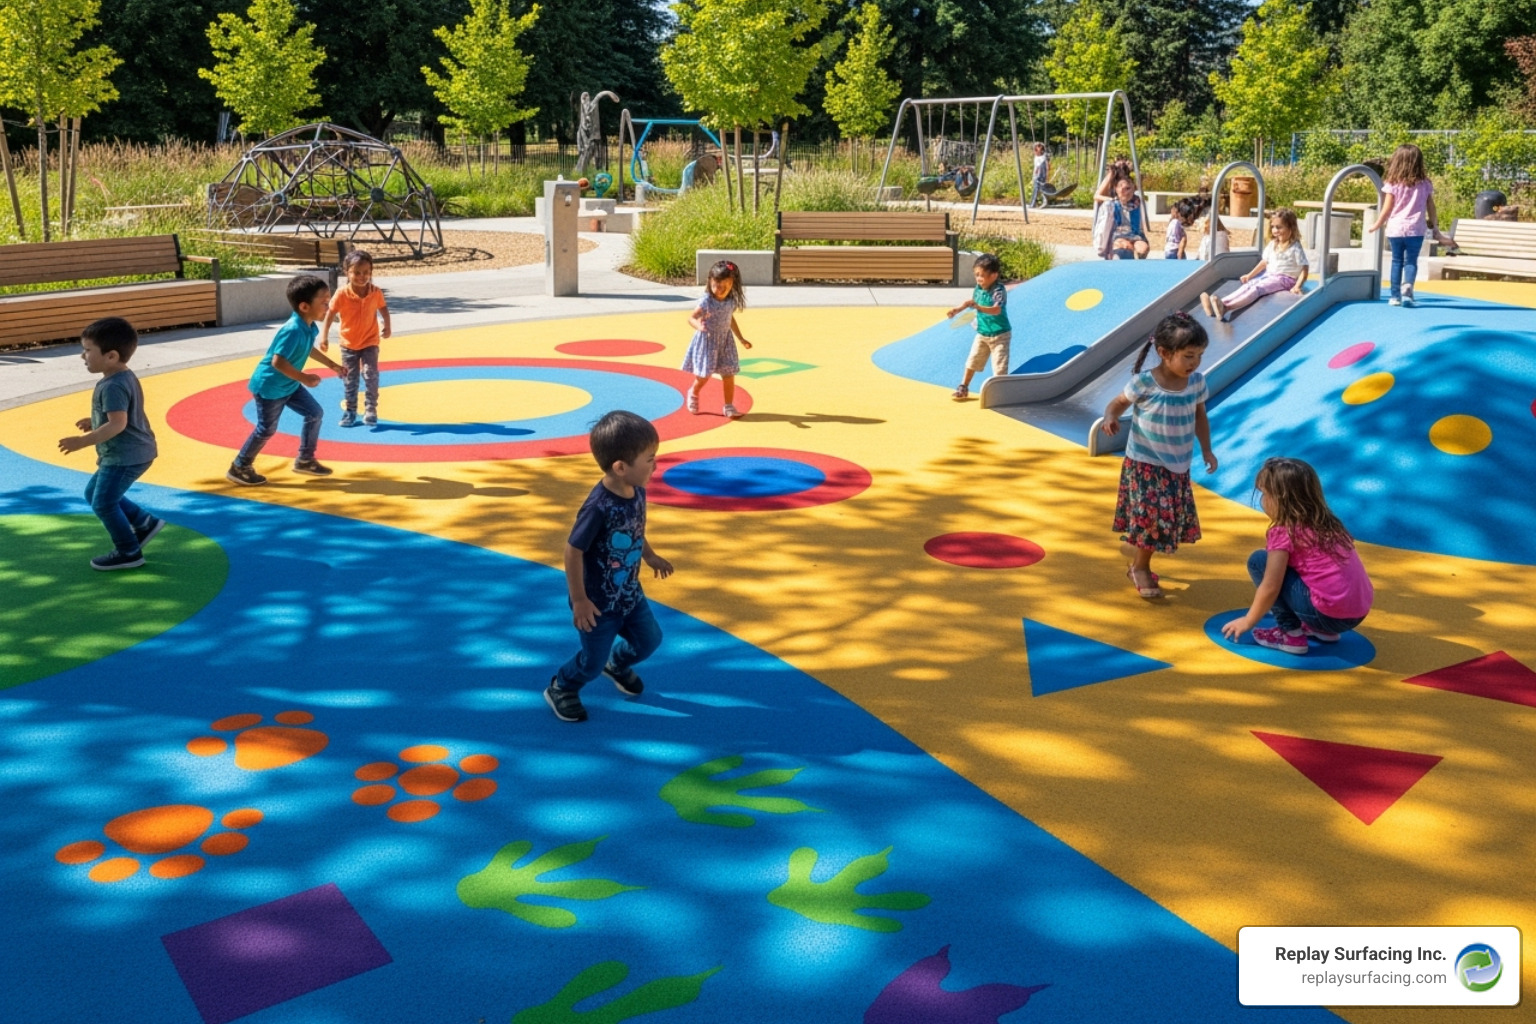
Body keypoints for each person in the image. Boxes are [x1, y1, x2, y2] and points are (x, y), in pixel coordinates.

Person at [546, 410, 675, 723]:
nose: (655, 464)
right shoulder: (598, 508)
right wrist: (579, 600)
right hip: (598, 605)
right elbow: (573, 550)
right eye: (649, 458)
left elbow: (633, 530)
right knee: (590, 662)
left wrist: (649, 555)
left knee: (650, 641)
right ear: (621, 467)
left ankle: (616, 665)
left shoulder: (637, 490)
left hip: (629, 594)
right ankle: (562, 686)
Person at [1101, 312, 1217, 599]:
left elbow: (1200, 416)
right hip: (1144, 463)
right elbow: (1117, 403)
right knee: (1151, 519)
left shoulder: (1197, 383)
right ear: (1165, 353)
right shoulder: (1144, 383)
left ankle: (1140, 562)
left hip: (1177, 464)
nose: (1196, 363)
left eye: (1200, 355)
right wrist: (1110, 417)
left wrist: (1206, 449)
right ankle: (1140, 568)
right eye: (1189, 356)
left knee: (1161, 522)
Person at [1220, 457, 1373, 655]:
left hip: (1327, 614)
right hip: (1357, 613)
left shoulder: (1284, 532)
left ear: (1281, 499)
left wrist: (1248, 620)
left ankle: (1290, 634)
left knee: (1259, 561)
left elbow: (1270, 586)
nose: (1262, 500)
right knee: (1302, 570)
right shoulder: (1330, 524)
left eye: (1265, 494)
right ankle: (1321, 630)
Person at [55, 317, 165, 571]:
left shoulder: (112, 385)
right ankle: (144, 522)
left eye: (88, 350)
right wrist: (95, 421)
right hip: (132, 451)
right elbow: (117, 416)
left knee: (103, 502)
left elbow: (117, 424)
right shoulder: (122, 377)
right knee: (94, 494)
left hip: (125, 456)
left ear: (111, 356)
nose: (83, 356)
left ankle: (129, 551)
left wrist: (81, 442)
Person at [226, 275, 345, 486]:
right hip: (271, 386)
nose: (328, 307)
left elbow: (308, 349)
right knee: (266, 429)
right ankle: (240, 466)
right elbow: (278, 362)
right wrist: (305, 378)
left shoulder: (308, 326)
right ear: (304, 306)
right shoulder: (292, 330)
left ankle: (305, 459)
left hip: (288, 384)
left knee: (314, 413)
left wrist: (332, 365)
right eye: (324, 303)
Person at [319, 250, 391, 427]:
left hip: (370, 341)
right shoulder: (342, 294)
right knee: (350, 378)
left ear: (371, 272)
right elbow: (330, 314)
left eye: (366, 272)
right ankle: (350, 411)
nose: (362, 276)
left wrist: (387, 325)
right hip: (348, 344)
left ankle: (371, 408)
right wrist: (324, 336)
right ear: (347, 272)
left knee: (370, 374)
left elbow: (383, 308)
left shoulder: (375, 292)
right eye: (357, 272)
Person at [1200, 208, 1308, 321]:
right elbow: (1264, 263)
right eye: (1273, 227)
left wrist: (1297, 286)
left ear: (1290, 227)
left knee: (1257, 289)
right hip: (1269, 275)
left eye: (1279, 227)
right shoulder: (1273, 244)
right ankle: (1219, 303)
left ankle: (1227, 307)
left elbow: (1304, 268)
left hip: (1285, 279)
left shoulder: (1295, 247)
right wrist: (1250, 275)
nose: (1275, 230)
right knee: (1248, 285)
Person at [1366, 143, 1436, 306]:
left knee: (1397, 261)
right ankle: (1408, 289)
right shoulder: (1425, 183)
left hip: (1396, 229)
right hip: (1416, 229)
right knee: (1411, 261)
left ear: (1397, 161)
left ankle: (1395, 296)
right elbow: (1431, 205)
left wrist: (1377, 224)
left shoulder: (1393, 183)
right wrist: (1435, 223)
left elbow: (1387, 207)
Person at [683, 260, 753, 418]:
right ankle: (693, 392)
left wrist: (741, 338)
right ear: (710, 281)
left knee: (728, 374)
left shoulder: (730, 301)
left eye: (724, 286)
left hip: (725, 342)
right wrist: (699, 327)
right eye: (716, 285)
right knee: (704, 375)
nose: (719, 290)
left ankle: (728, 405)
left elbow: (730, 319)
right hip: (708, 342)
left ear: (732, 283)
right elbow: (692, 318)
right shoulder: (707, 301)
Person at [948, 253, 1011, 401]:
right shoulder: (978, 288)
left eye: (982, 275)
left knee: (999, 368)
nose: (978, 278)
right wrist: (958, 309)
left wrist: (979, 307)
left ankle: (1000, 394)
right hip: (982, 333)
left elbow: (997, 310)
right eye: (976, 274)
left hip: (1000, 335)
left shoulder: (998, 291)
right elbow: (972, 302)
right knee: (972, 360)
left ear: (994, 276)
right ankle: (963, 387)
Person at [1094, 176, 1150, 259]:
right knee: (1124, 249)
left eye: (1128, 188)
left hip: (1136, 235)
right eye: (1121, 187)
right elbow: (1097, 196)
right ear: (1115, 189)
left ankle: (1138, 266)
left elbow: (1139, 181)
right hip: (1118, 235)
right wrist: (1111, 174)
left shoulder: (1137, 202)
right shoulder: (1111, 204)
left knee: (1142, 249)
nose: (1125, 191)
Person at [1030, 142, 1050, 207]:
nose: (1036, 151)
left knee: (1042, 189)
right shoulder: (1036, 157)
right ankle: (1033, 203)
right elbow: (1035, 168)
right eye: (1035, 149)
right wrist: (1033, 177)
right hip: (1037, 176)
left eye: (1039, 148)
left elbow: (1048, 167)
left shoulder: (1044, 157)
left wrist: (1047, 176)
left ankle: (1036, 203)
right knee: (1036, 189)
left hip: (1042, 176)